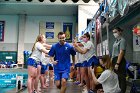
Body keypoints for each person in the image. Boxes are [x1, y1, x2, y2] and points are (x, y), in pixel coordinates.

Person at [112, 27, 126, 93]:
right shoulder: (115, 41)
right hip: (114, 59)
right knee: (116, 78)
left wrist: (117, 63)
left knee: (121, 78)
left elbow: (121, 52)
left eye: (115, 32)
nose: (114, 34)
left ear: (120, 32)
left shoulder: (122, 40)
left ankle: (122, 91)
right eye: (113, 32)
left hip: (119, 60)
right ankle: (118, 90)